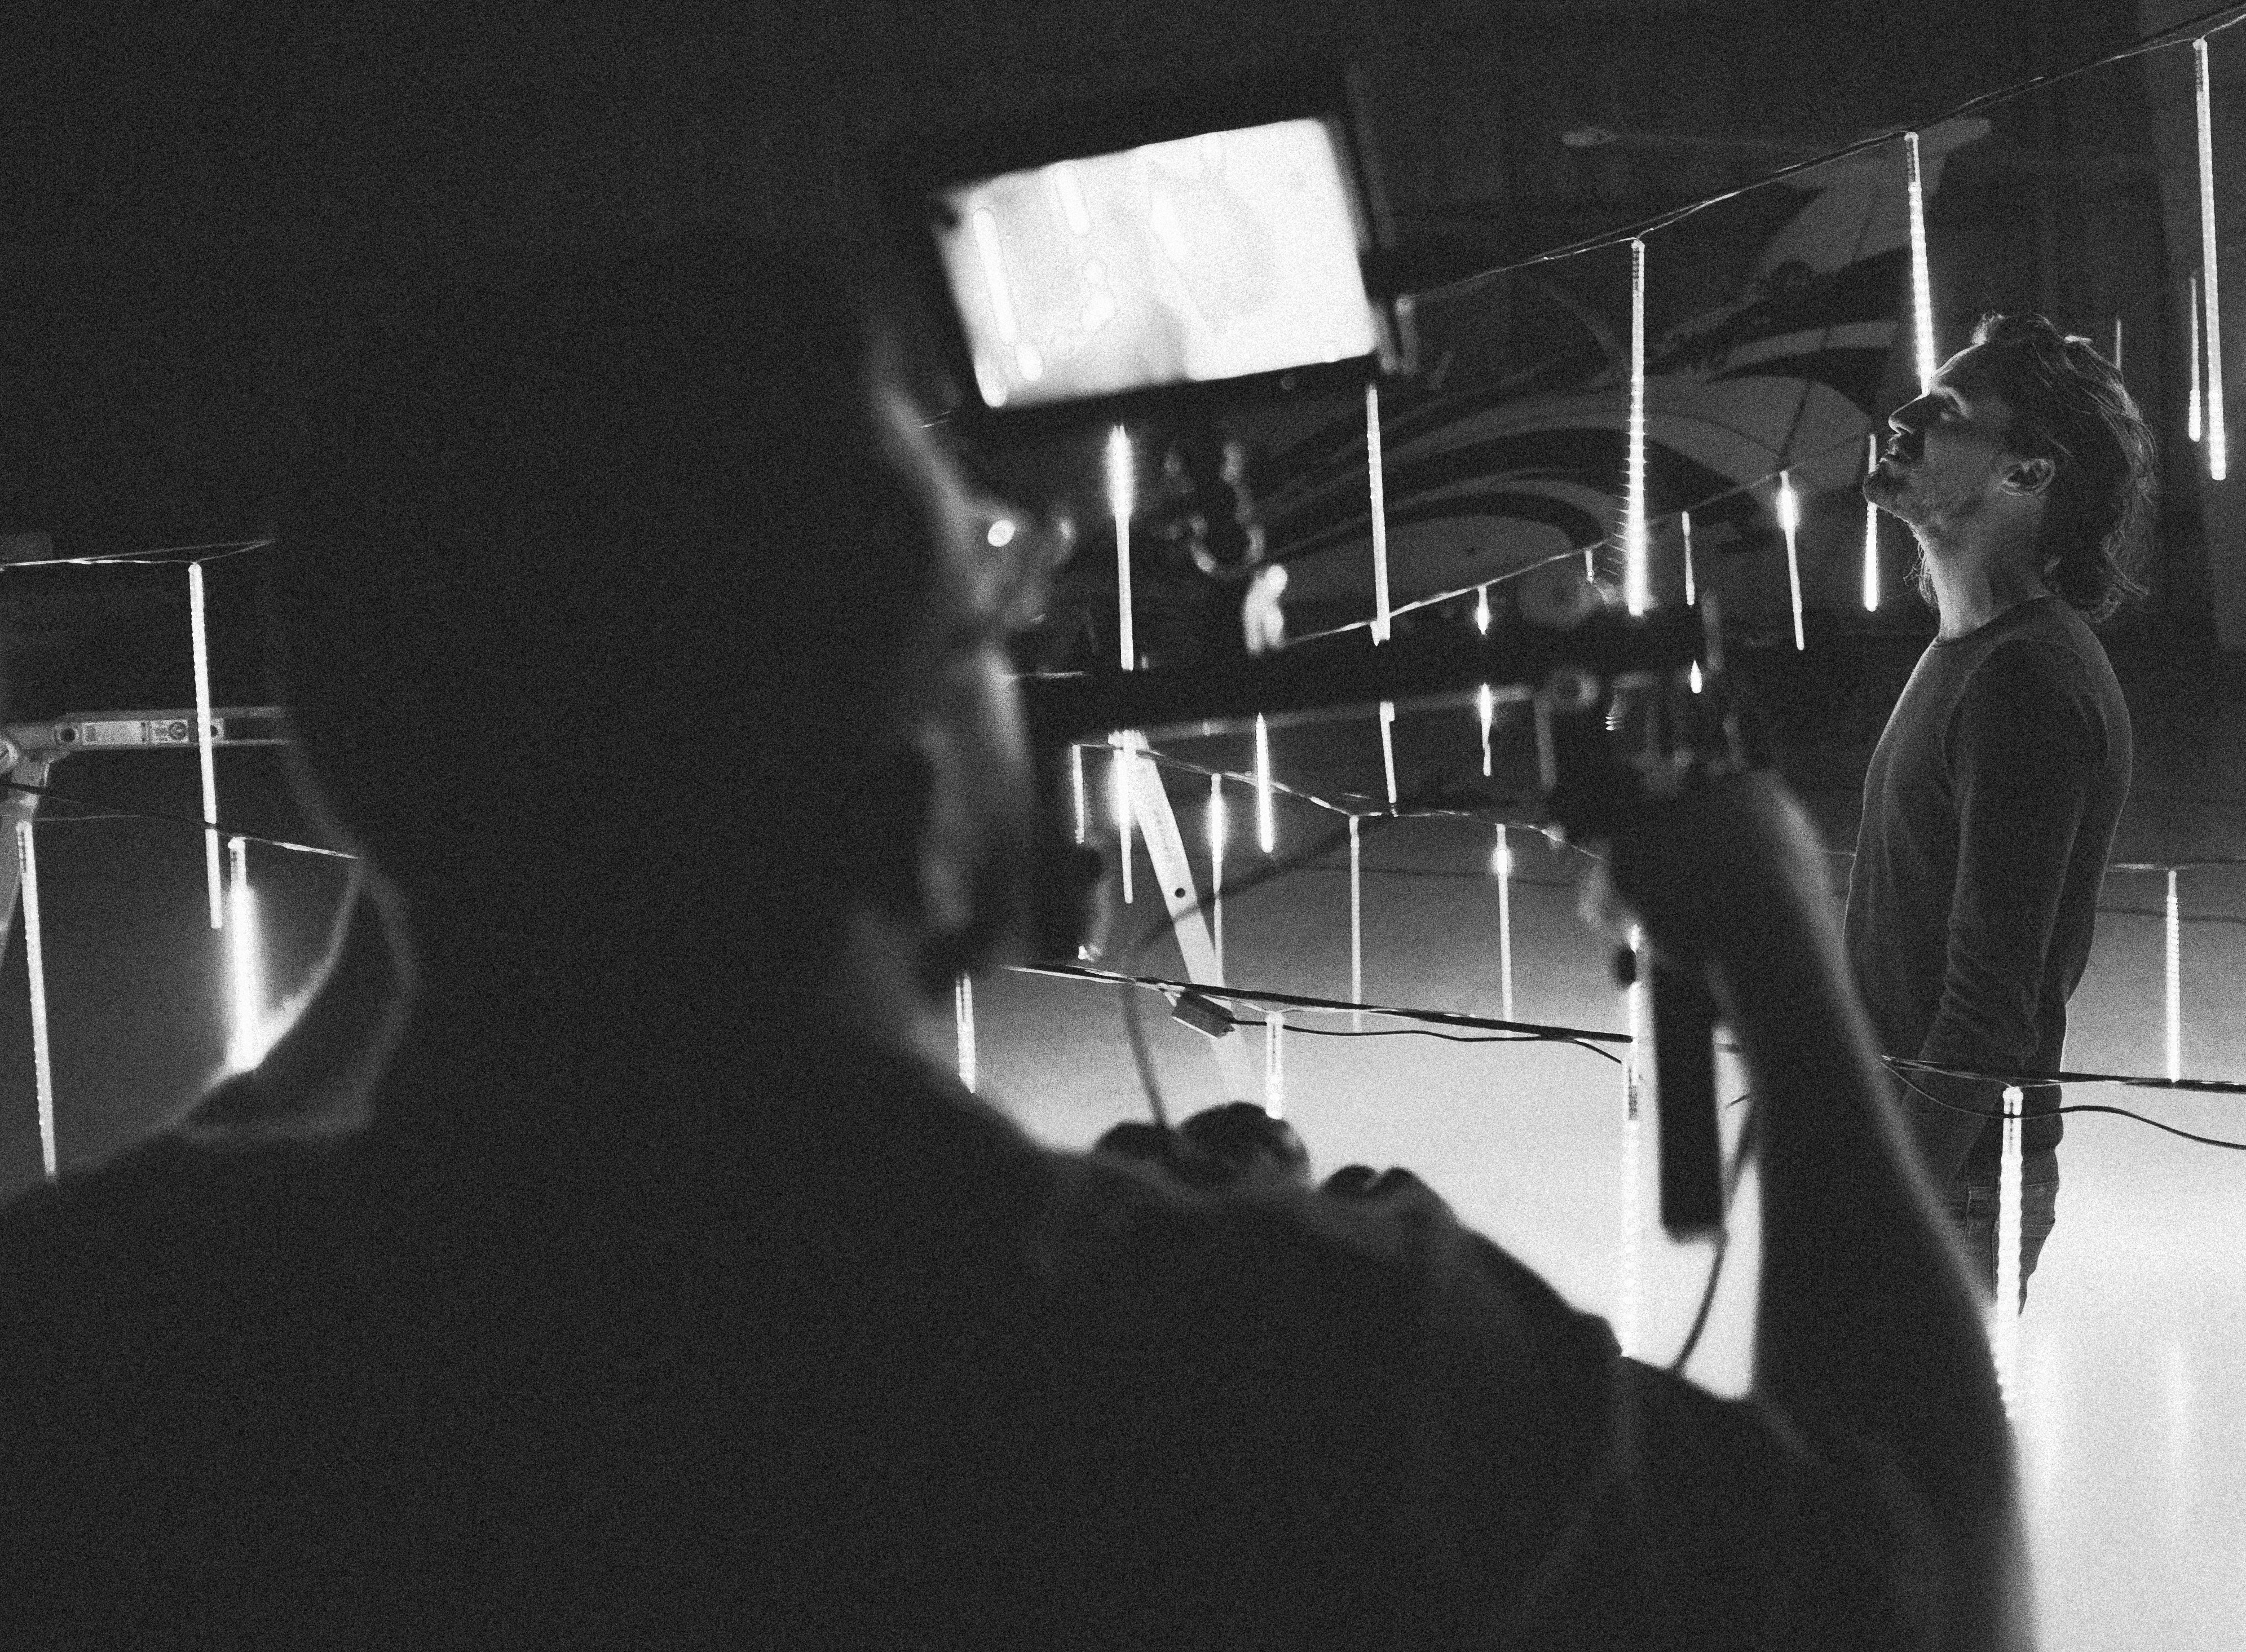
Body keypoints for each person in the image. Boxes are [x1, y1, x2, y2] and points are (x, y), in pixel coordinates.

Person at [0, 239, 2032, 1648]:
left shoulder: (111, 1355)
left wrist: (456, 870)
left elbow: (209, 1208)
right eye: (981, 611)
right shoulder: (1292, 1369)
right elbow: (1922, 1574)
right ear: (905, 803)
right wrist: (1772, 949)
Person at [1850, 313, 2152, 1310]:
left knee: (1892, 1469)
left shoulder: (2025, 684)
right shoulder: (1973, 656)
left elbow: (1987, 1014)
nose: (1904, 417)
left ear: (2030, 472)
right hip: (1928, 1169)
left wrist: (1888, 1204)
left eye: (1946, 412)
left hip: (1952, 1188)